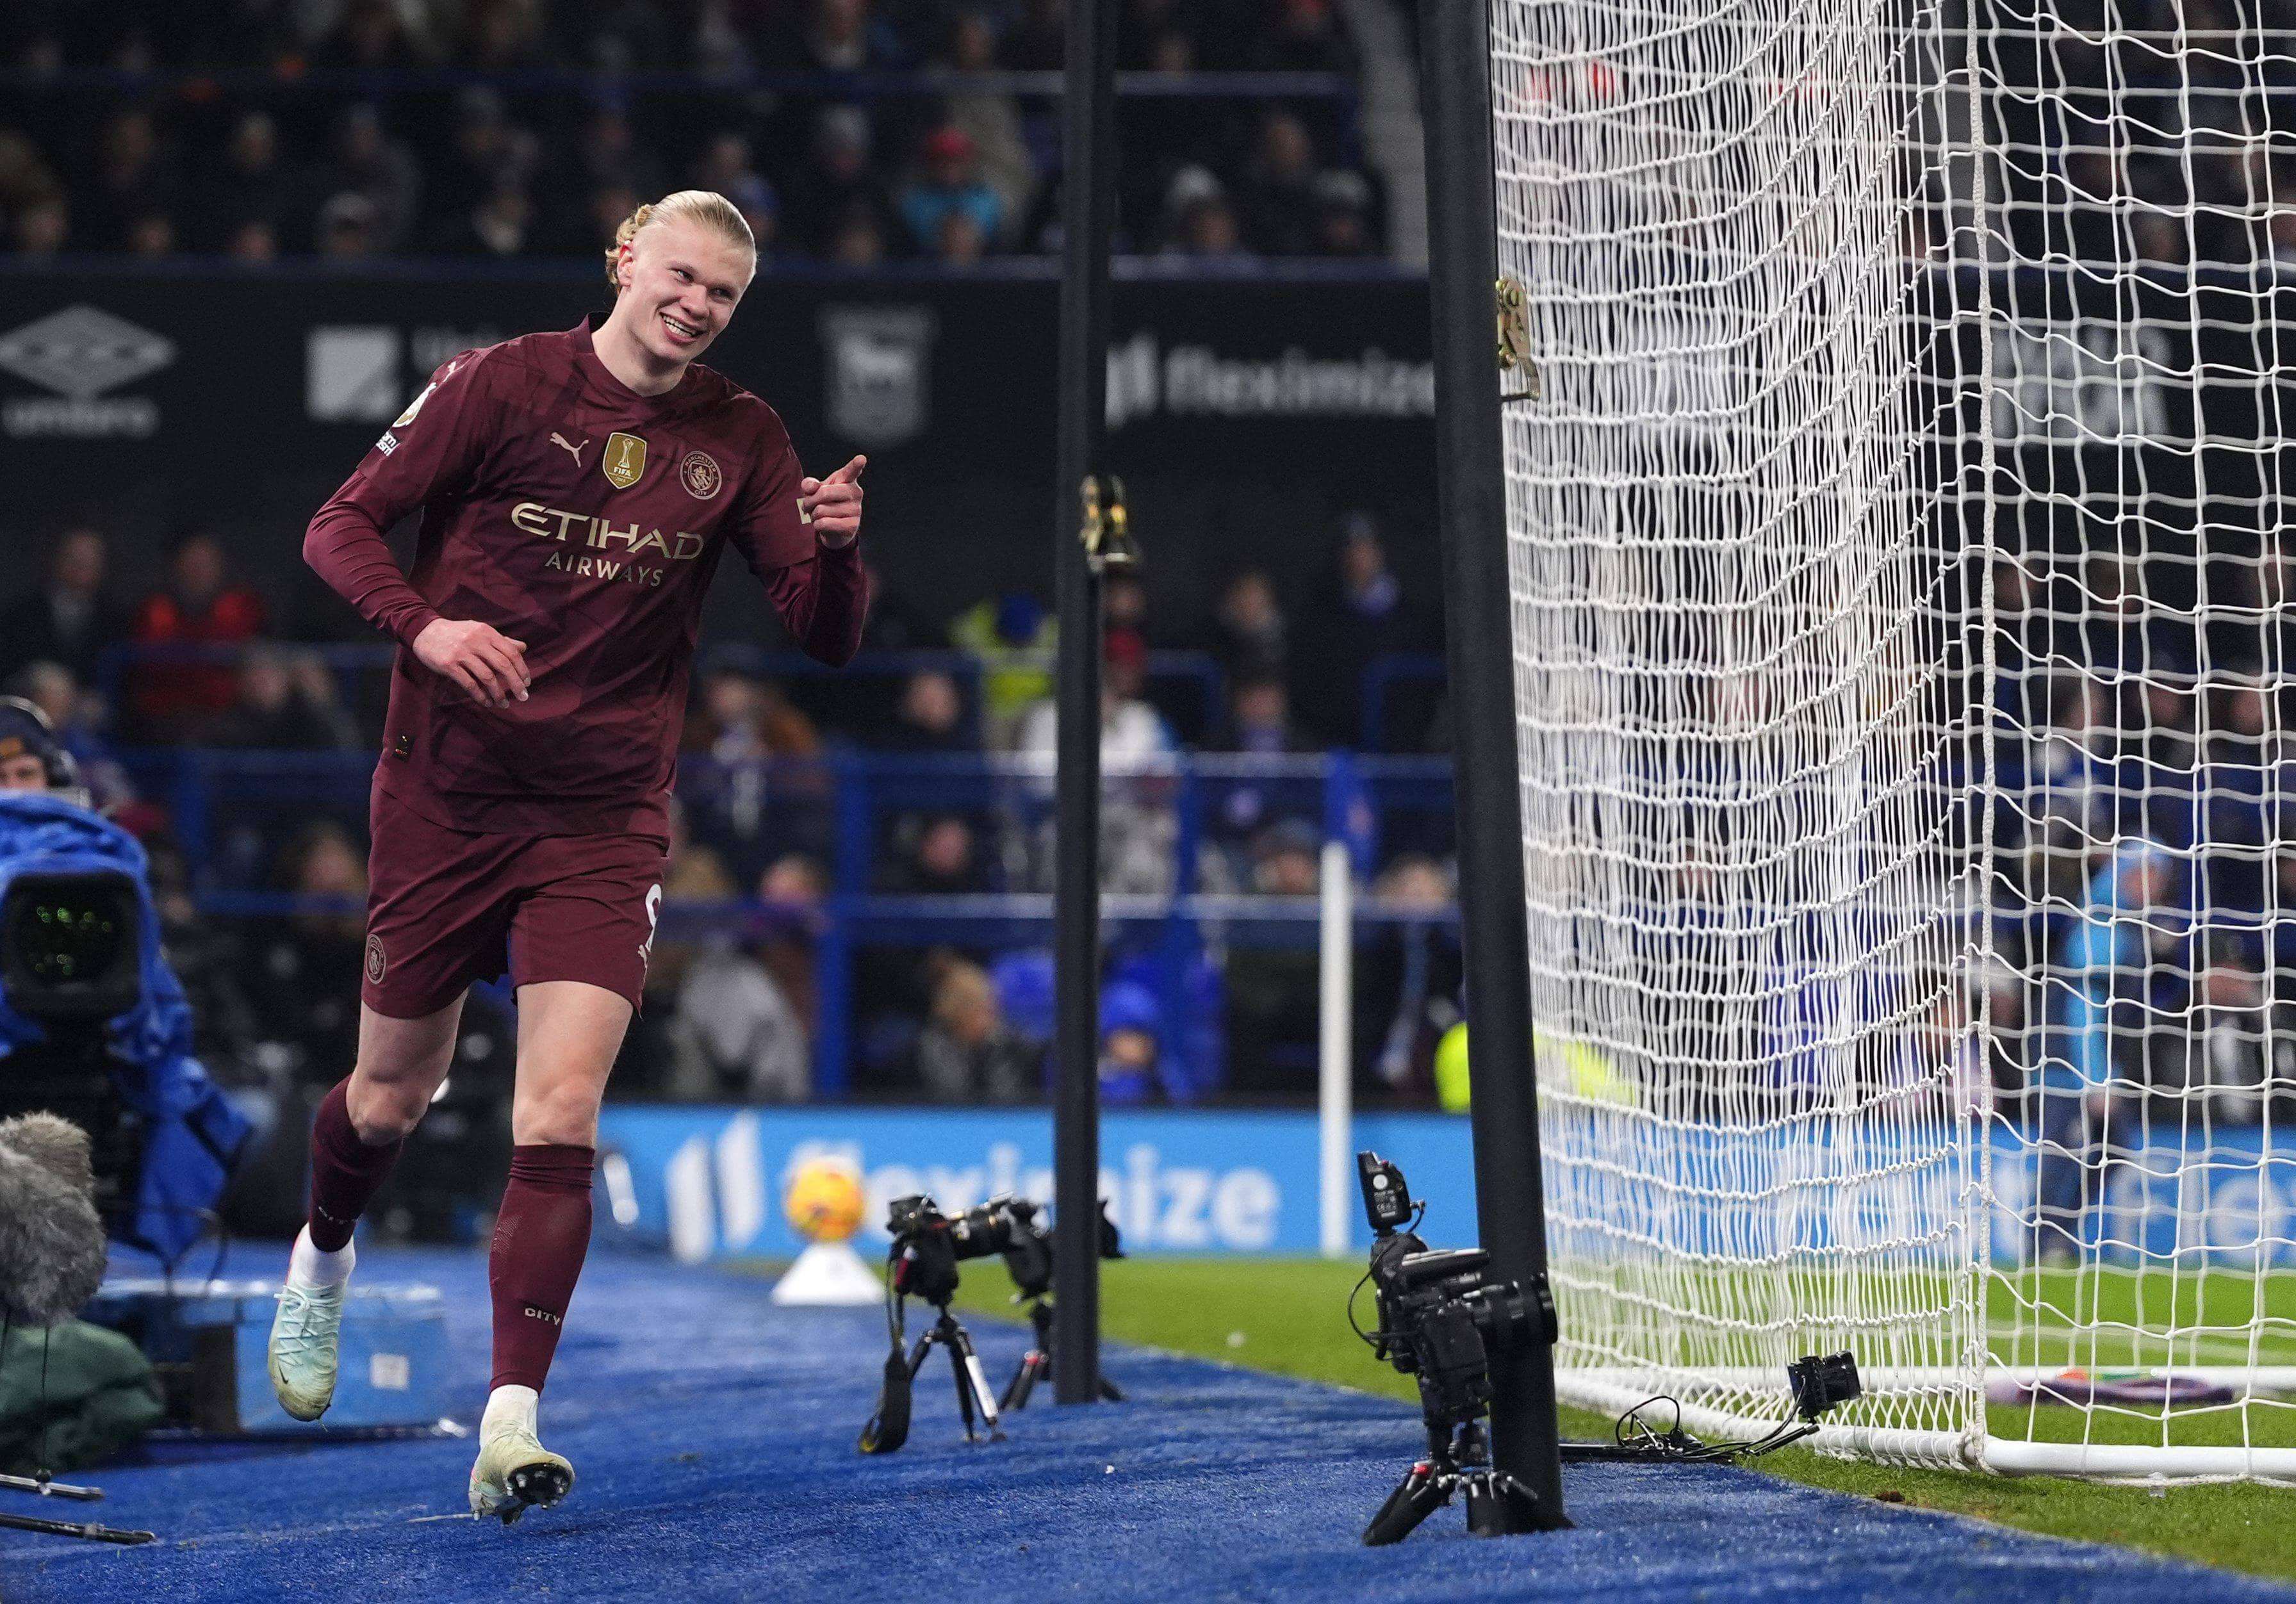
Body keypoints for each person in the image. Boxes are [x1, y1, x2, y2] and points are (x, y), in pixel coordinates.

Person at [270, 189, 871, 1523]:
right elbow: (337, 527)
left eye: (723, 294)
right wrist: (427, 630)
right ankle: (321, 1256)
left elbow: (824, 636)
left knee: (559, 1116)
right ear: (624, 260)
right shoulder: (499, 385)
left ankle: (510, 1422)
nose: (697, 305)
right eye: (682, 276)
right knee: (388, 1097)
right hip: (446, 798)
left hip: (602, 818)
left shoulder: (745, 435)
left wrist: (838, 555)